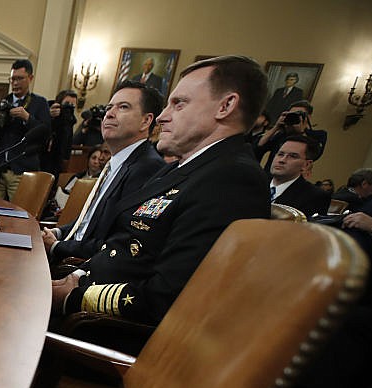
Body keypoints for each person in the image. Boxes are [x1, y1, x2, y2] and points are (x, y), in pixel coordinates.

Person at [52, 55, 271, 325]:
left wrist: (72, 297)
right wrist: (74, 277)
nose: (163, 117)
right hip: (87, 293)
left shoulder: (232, 179)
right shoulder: (184, 169)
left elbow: (167, 298)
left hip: (104, 328)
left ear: (226, 106)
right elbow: (124, 245)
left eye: (179, 104)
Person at [42, 81, 165, 262]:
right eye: (109, 107)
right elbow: (89, 223)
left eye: (123, 107)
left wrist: (56, 246)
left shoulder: (147, 167)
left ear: (146, 121)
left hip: (83, 268)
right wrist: (58, 232)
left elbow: (118, 242)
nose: (109, 114)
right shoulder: (115, 163)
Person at [0, 58, 50, 200]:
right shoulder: (4, 101)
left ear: (30, 78)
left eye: (20, 78)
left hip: (23, 169)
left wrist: (27, 117)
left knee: (19, 214)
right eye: (12, 79)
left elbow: (46, 132)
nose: (15, 83)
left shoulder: (39, 103)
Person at [256, 100, 327, 172]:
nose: (294, 116)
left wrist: (301, 132)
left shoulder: (318, 135)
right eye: (291, 114)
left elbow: (313, 155)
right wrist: (276, 127)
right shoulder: (283, 134)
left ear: (308, 116)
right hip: (269, 176)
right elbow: (259, 145)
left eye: (298, 114)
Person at [269, 135, 330, 218]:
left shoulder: (315, 196)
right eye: (280, 154)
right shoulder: (253, 183)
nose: (282, 160)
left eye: (293, 156)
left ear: (306, 164)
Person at [42, 89, 78, 180]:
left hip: (57, 160)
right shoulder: (47, 110)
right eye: (67, 103)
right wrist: (50, 116)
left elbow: (68, 140)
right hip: (43, 157)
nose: (69, 107)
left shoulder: (70, 120)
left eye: (72, 105)